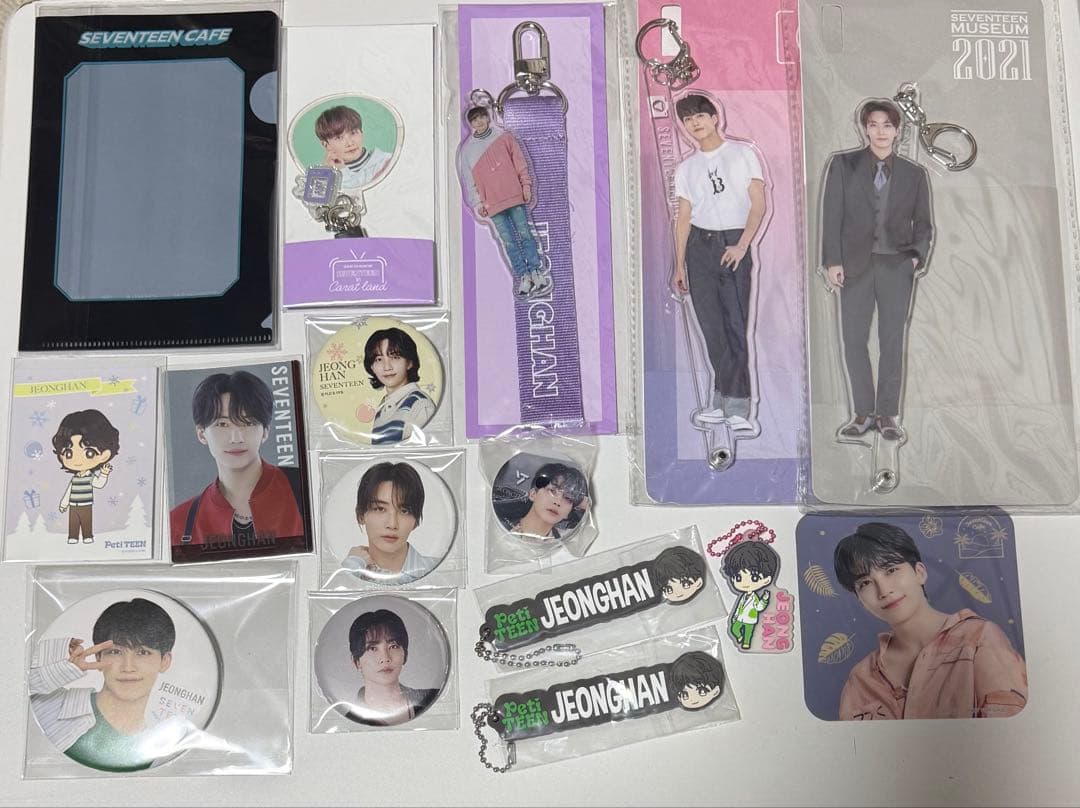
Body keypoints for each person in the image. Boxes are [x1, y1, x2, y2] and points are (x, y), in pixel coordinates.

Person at [821, 99, 934, 442]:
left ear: (898, 131)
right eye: (874, 124)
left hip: (896, 267)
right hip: (854, 266)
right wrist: (832, 261)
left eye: (887, 125)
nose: (881, 131)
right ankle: (862, 413)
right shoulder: (843, 165)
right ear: (865, 129)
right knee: (854, 339)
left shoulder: (915, 174)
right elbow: (832, 216)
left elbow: (924, 225)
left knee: (892, 341)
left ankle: (886, 414)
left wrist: (914, 258)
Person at [832, 522, 1027, 720]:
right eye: (865, 583)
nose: (884, 591)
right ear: (860, 600)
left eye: (891, 570)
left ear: (920, 573)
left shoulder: (979, 638)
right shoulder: (861, 678)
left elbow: (1010, 732)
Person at [672, 93, 768, 432]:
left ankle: (738, 404)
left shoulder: (742, 154)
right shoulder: (686, 168)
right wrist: (679, 265)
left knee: (734, 326)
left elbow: (758, 204)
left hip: (732, 243)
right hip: (699, 247)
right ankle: (720, 399)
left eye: (700, 115)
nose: (694, 123)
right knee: (711, 328)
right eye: (687, 119)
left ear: (715, 118)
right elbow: (683, 218)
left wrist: (742, 245)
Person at [29, 598, 177, 772]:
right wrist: (63, 664)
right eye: (115, 652)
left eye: (143, 652)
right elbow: (14, 688)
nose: (128, 667)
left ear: (165, 662)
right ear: (98, 657)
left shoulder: (162, 749)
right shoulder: (52, 705)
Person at [169, 371, 304, 547]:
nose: (236, 438)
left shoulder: (303, 488)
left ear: (265, 432)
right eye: (222, 424)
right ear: (201, 434)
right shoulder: (179, 523)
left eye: (248, 423)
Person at [456, 105, 552, 300]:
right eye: (474, 119)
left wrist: (526, 187)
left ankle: (536, 271)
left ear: (488, 117)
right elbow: (469, 180)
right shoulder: (467, 151)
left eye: (481, 117)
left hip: (515, 196)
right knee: (508, 242)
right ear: (470, 123)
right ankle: (523, 276)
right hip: (492, 205)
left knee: (526, 235)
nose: (479, 121)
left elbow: (520, 163)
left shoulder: (505, 137)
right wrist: (478, 203)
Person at [343, 461, 439, 583]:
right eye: (380, 509)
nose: (392, 524)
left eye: (404, 511)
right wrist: (352, 567)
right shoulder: (347, 570)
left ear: (415, 520)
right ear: (361, 514)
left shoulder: (440, 571)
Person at [348, 609, 440, 726]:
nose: (385, 658)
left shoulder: (435, 698)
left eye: (393, 646)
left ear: (405, 655)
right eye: (373, 648)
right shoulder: (348, 722)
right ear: (356, 662)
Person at [52, 409, 120, 545]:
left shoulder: (89, 477)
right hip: (73, 505)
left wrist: (104, 474)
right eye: (68, 453)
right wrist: (64, 504)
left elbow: (99, 484)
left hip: (86, 505)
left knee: (86, 522)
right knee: (73, 522)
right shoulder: (75, 479)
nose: (77, 460)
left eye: (89, 453)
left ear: (104, 455)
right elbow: (69, 492)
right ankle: (73, 537)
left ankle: (87, 536)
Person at [363, 327, 437, 445]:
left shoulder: (420, 405)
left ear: (409, 362)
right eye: (379, 359)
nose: (387, 367)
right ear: (372, 367)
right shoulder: (382, 409)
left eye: (395, 357)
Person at [495, 462, 590, 540]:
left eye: (568, 498)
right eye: (552, 491)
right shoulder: (499, 526)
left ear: (569, 512)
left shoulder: (568, 540)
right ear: (533, 494)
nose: (558, 502)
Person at [315, 105, 391, 189]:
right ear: (326, 145)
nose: (350, 143)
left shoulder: (385, 162)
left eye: (353, 133)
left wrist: (342, 172)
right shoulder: (321, 179)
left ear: (361, 133)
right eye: (339, 137)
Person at [721, 540, 780, 650]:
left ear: (766, 580)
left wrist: (765, 599)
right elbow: (739, 607)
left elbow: (759, 607)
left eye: (754, 578)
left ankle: (746, 643)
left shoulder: (754, 598)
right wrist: (735, 616)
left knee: (748, 632)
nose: (744, 583)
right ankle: (739, 636)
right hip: (740, 618)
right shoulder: (743, 596)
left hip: (750, 619)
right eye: (738, 577)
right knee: (734, 629)